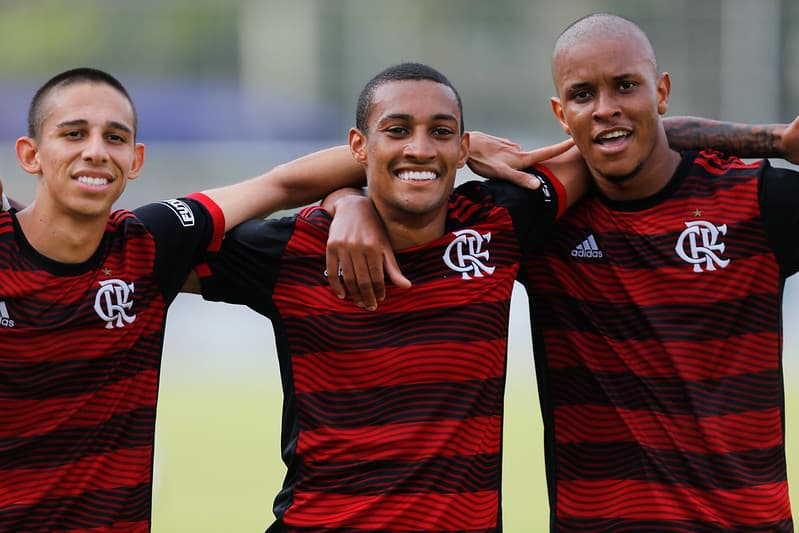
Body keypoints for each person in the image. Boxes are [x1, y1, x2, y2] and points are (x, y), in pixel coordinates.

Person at [328, 14, 799, 532]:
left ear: (661, 93)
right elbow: (402, 165)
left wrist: (777, 140)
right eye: (582, 94)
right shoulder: (538, 215)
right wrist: (349, 200)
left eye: (626, 86)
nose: (605, 109)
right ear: (560, 113)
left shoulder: (757, 199)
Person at [195, 62, 588, 532]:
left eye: (441, 132)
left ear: (464, 148)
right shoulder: (294, 249)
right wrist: (345, 198)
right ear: (358, 146)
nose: (419, 149)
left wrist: (348, 193)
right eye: (397, 130)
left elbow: (617, 144)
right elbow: (160, 249)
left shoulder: (499, 223)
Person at [0, 67, 379, 532]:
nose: (95, 151)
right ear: (30, 154)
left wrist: (353, 198)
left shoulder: (150, 242)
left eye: (114, 138)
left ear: (136, 160)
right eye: (74, 134)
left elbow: (280, 185)